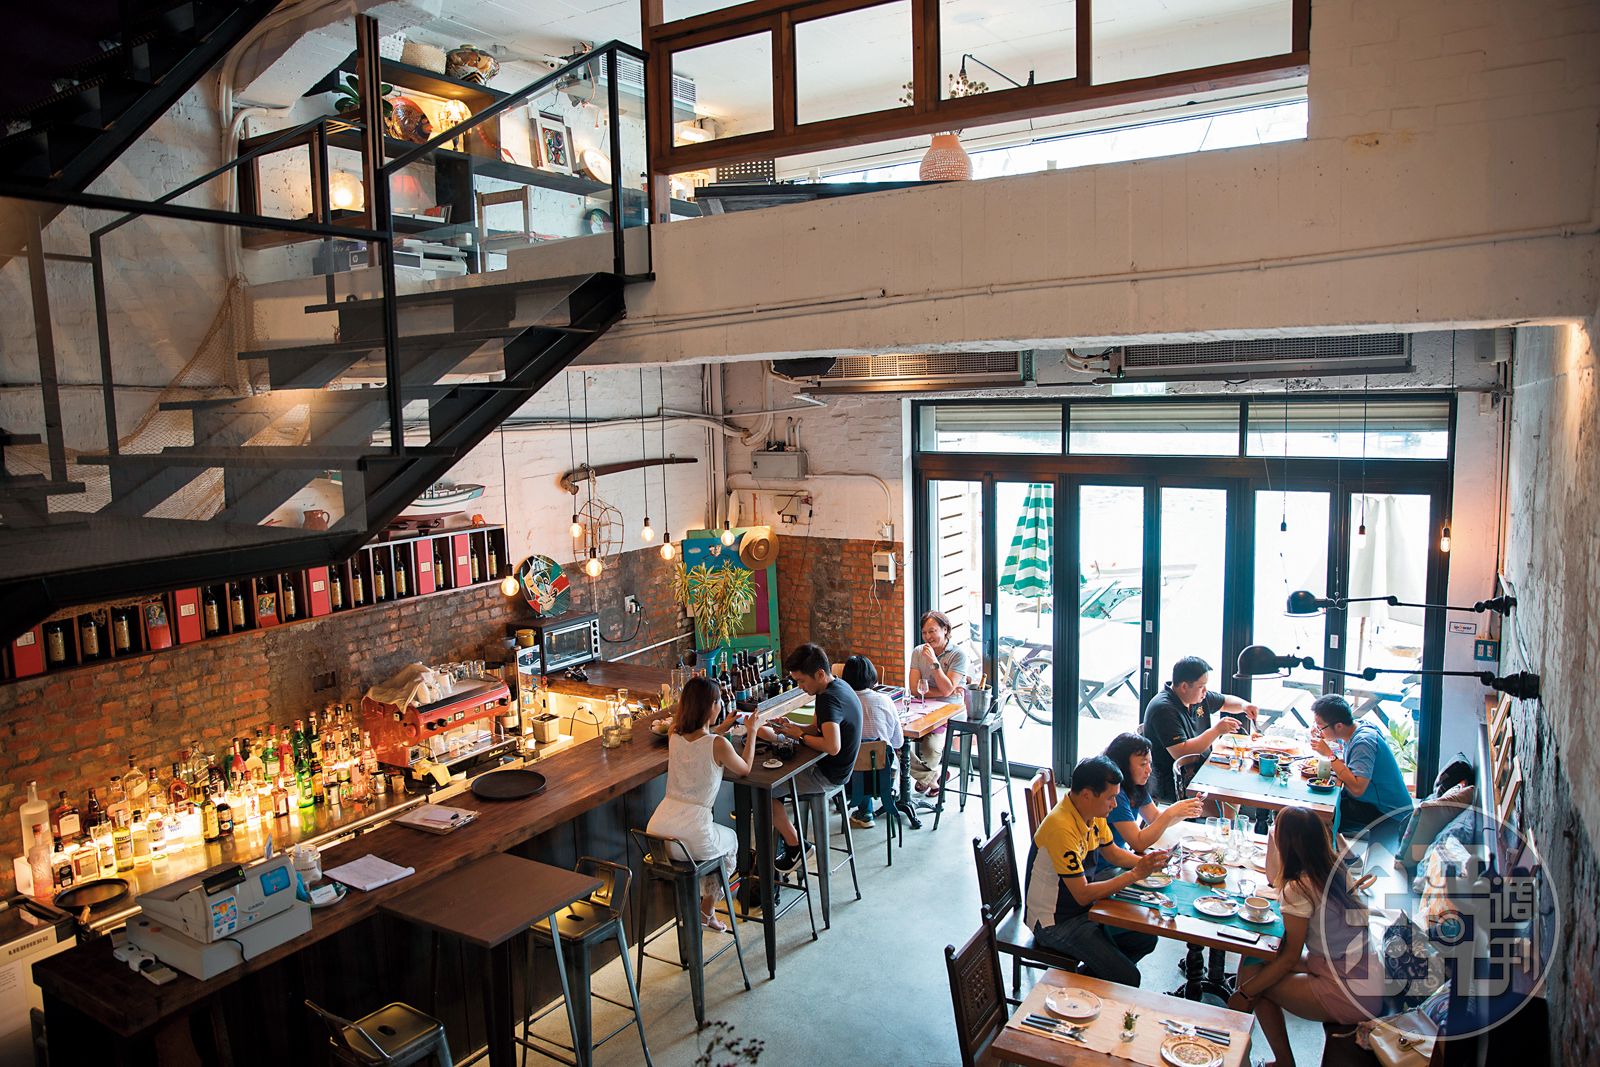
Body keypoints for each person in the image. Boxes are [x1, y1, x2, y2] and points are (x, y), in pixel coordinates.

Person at [1230, 806, 1383, 1067]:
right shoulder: (1334, 869)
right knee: (1253, 961)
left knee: (1256, 987)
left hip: (1350, 990)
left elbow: (1290, 957)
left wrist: (1244, 994)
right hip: (1363, 973)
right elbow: (1276, 880)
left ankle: (1279, 1061)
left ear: (1287, 844)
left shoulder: (1299, 888)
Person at [1023, 756, 1169, 985]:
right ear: (1087, 795)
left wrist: (1148, 864)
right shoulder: (1061, 828)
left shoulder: (1093, 813)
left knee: (1145, 939)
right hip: (1054, 923)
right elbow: (1082, 894)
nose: (1115, 804)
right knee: (1128, 977)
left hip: (1084, 910)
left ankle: (1089, 980)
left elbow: (1113, 854)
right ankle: (1071, 988)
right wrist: (1134, 874)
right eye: (1111, 797)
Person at [645, 675, 761, 930]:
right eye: (718, 701)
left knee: (714, 844)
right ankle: (706, 910)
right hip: (692, 836)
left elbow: (698, 742)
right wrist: (752, 731)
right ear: (711, 707)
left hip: (658, 835)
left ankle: (700, 910)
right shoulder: (718, 745)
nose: (720, 705)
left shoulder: (674, 734)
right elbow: (745, 768)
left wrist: (719, 728)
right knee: (730, 842)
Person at [768, 643, 863, 872]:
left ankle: (796, 846)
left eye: (802, 681)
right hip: (839, 770)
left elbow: (832, 746)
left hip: (828, 775)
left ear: (819, 674)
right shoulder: (835, 686)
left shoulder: (829, 699)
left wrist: (799, 736)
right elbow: (818, 728)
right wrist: (792, 727)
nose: (800, 687)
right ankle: (787, 842)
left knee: (764, 793)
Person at [1140, 655, 1257, 803]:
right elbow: (1181, 752)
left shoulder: (1195, 698)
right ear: (1184, 687)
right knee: (1231, 792)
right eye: (1201, 686)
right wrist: (1216, 731)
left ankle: (1228, 817)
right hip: (1174, 781)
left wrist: (1244, 705)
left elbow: (1225, 701)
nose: (1205, 690)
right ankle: (1224, 818)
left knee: (1237, 778)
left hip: (1201, 768)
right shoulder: (1164, 709)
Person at [1308, 693, 1415, 832]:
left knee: (1316, 816)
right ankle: (1338, 846)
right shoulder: (1357, 727)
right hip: (1376, 802)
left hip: (1389, 813)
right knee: (1321, 801)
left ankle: (1327, 844)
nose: (1318, 730)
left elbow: (1357, 789)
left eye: (1320, 727)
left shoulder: (1363, 743)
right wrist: (1325, 735)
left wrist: (1329, 755)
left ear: (1339, 726)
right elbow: (1349, 755)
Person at [906, 610, 975, 796]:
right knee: (894, 739)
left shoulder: (958, 655)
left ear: (945, 630)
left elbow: (946, 691)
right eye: (924, 632)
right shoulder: (918, 652)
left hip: (950, 709)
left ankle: (926, 777)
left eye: (932, 631)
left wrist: (933, 662)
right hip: (921, 706)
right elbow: (915, 688)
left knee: (931, 747)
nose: (928, 637)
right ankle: (932, 777)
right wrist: (946, 689)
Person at [1101, 732, 1206, 852]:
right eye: (1143, 764)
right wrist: (1171, 812)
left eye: (1149, 763)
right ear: (1123, 765)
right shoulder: (1115, 794)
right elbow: (1138, 843)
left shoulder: (1135, 784)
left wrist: (1185, 810)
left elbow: (1154, 818)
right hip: (1108, 862)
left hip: (1123, 854)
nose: (1149, 770)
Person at [839, 654, 903, 830]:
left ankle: (865, 812)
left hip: (849, 779)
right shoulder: (885, 700)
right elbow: (898, 742)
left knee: (860, 759)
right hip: (885, 776)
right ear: (872, 676)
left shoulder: (841, 702)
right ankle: (873, 809)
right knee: (873, 757)